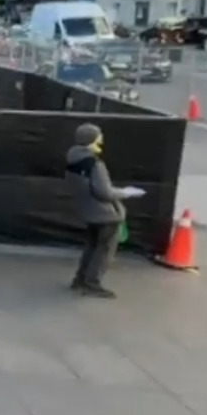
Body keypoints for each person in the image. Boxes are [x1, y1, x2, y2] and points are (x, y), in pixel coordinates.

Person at [66, 123, 139, 299]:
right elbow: (104, 191)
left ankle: (80, 278)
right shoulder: (95, 164)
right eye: (98, 137)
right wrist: (125, 193)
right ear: (91, 140)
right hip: (106, 214)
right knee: (104, 250)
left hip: (89, 212)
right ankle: (92, 283)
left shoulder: (72, 159)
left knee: (91, 246)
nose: (101, 140)